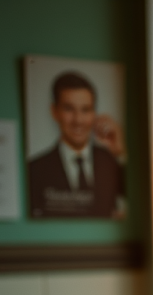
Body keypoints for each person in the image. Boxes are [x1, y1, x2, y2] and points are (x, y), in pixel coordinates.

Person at [28, 71, 126, 218]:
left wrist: (121, 152)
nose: (78, 120)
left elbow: (143, 200)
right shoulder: (34, 170)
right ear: (54, 111)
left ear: (94, 113)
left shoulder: (111, 163)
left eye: (85, 110)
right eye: (69, 109)